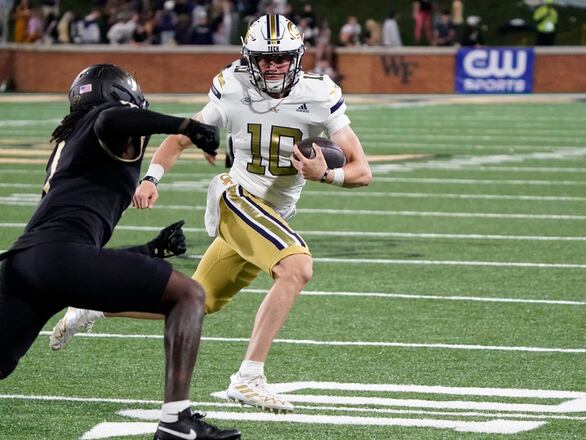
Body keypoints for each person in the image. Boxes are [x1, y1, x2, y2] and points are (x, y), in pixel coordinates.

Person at [0, 64, 241, 440]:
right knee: (190, 294)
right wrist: (185, 126)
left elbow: (77, 245)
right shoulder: (107, 120)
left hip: (29, 262)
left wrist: (148, 250)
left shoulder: (73, 140)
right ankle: (176, 421)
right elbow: (111, 119)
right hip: (58, 258)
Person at [50, 14, 372, 413]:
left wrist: (326, 174)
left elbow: (362, 171)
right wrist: (151, 178)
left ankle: (93, 304)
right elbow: (181, 137)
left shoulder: (320, 94)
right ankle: (249, 377)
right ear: (249, 57)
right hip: (235, 196)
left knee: (196, 299)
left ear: (297, 58)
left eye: (281, 58)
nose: (273, 67)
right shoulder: (233, 87)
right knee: (297, 267)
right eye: (265, 58)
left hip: (272, 213)